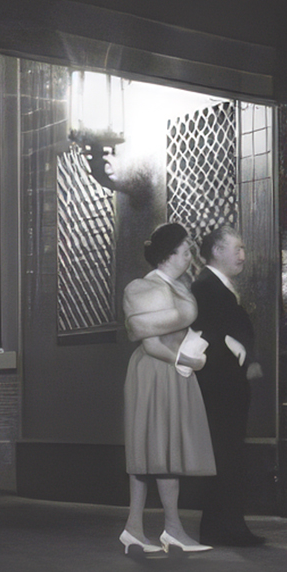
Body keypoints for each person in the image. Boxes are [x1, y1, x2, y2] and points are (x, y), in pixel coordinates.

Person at [120, 222, 216, 555]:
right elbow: (150, 343)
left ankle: (141, 528)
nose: (191, 257)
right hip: (156, 370)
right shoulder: (144, 287)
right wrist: (188, 361)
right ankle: (168, 529)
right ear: (169, 255)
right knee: (155, 448)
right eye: (186, 251)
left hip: (170, 369)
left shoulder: (175, 286)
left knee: (160, 448)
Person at [193, 225, 265, 546]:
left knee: (225, 455)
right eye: (236, 248)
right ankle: (229, 527)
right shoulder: (208, 287)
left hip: (224, 386)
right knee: (227, 455)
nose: (242, 255)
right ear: (217, 251)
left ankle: (218, 526)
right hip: (220, 387)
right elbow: (210, 336)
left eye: (243, 249)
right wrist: (243, 358)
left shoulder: (217, 286)